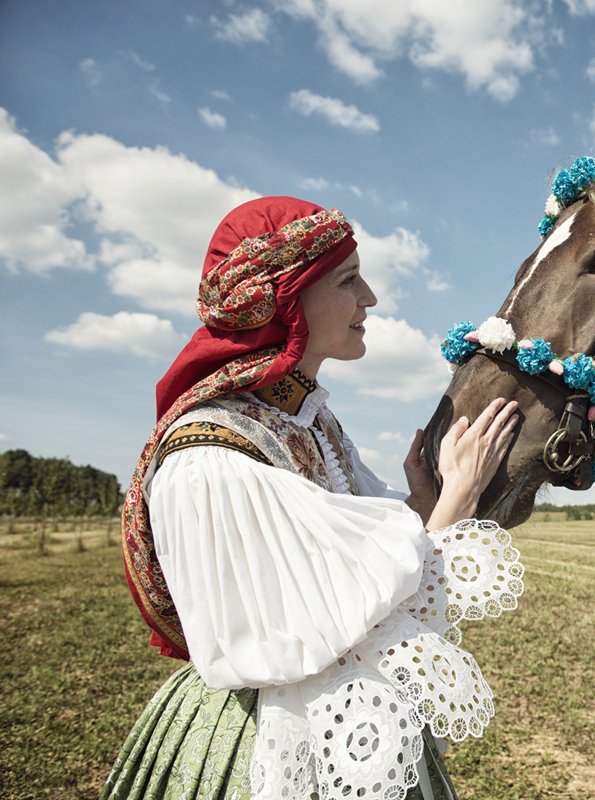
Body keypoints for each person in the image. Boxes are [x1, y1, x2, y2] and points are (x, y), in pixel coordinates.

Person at [104, 196, 522, 799]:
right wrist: (458, 494)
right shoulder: (210, 456)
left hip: (342, 709)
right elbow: (341, 622)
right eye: (349, 281)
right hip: (264, 734)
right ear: (287, 302)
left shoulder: (306, 419)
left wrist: (425, 504)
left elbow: (359, 558)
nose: (370, 298)